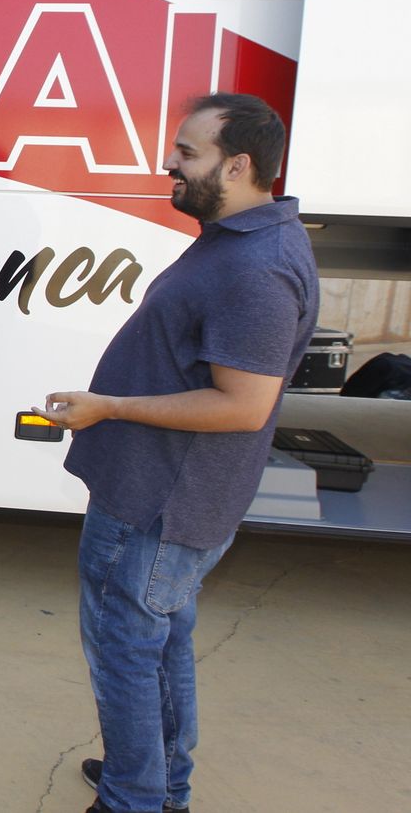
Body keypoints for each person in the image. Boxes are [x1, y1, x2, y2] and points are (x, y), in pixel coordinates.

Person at [39, 93, 319, 813]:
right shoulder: (241, 238)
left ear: (239, 165)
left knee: (127, 647)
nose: (170, 161)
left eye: (187, 153)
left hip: (158, 502)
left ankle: (135, 797)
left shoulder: (257, 268)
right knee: (158, 642)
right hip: (163, 493)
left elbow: (244, 404)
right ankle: (160, 783)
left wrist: (111, 406)